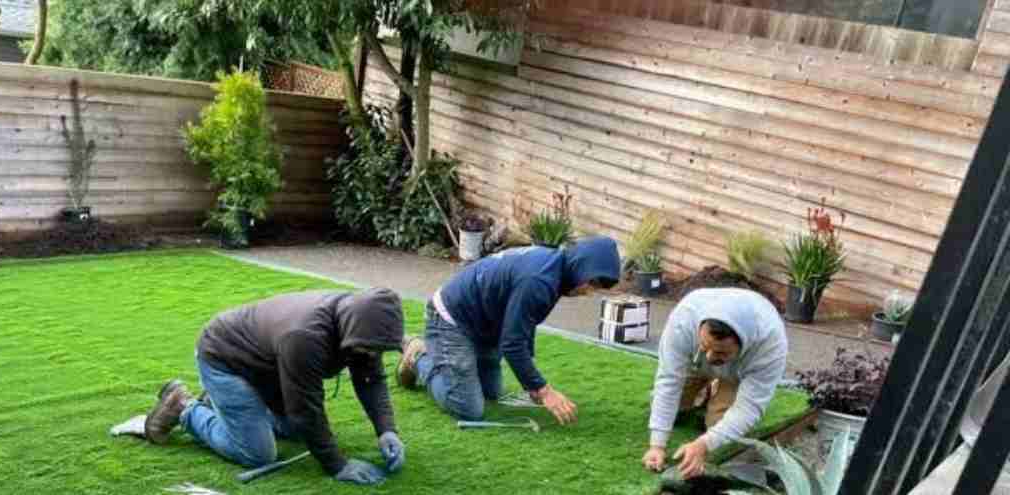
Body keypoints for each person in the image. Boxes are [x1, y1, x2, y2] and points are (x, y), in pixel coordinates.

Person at [144, 288, 407, 486]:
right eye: (369, 349)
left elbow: (370, 379)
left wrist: (386, 430)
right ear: (354, 328)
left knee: (296, 430)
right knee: (258, 453)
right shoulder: (305, 337)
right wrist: (337, 465)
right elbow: (304, 407)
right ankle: (184, 408)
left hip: (266, 365)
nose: (372, 356)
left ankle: (222, 404)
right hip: (224, 358)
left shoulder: (360, 321)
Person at [396, 236, 620, 424]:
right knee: (469, 408)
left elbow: (524, 322)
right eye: (590, 284)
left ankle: (456, 362)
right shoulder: (540, 280)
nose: (588, 292)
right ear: (581, 264)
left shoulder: (554, 267)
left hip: (484, 321)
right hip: (452, 318)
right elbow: (512, 344)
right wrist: (543, 390)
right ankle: (420, 357)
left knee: (491, 393)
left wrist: (531, 384)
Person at [642, 288, 787, 479]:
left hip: (737, 374)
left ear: (743, 343)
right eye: (705, 346)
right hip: (694, 364)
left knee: (720, 429)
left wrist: (704, 444)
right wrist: (657, 445)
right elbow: (669, 380)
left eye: (720, 352)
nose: (710, 357)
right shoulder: (685, 319)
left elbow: (748, 409)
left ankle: (720, 389)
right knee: (669, 409)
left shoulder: (770, 345)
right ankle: (707, 390)